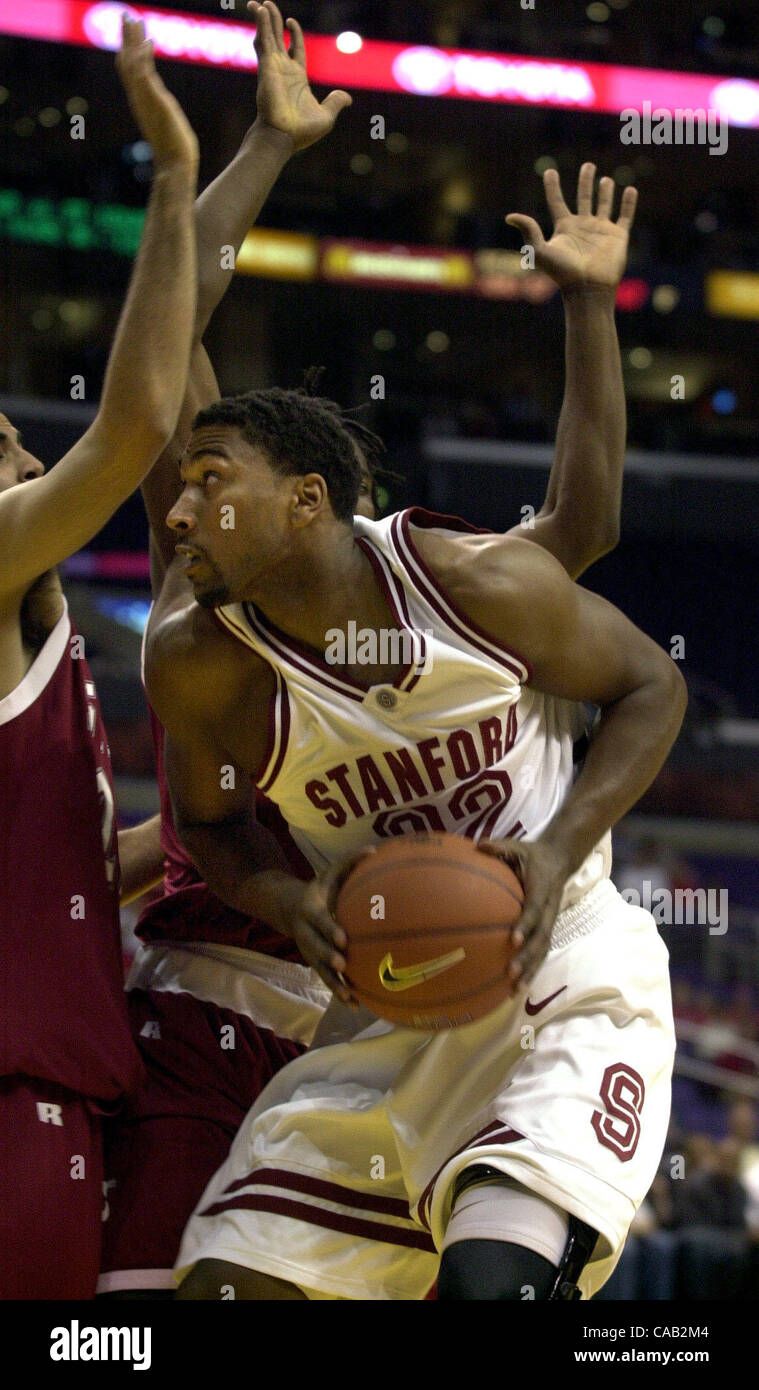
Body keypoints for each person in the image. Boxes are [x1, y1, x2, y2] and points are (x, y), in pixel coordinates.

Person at [99, 0, 638, 1298]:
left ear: (317, 503)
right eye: (195, 469)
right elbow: (173, 323)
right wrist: (261, 150)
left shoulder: (438, 593)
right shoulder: (203, 594)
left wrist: (587, 309)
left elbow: (581, 522)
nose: (191, 497)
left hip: (387, 1014)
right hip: (215, 992)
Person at [0, 17, 199, 1298]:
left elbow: (62, 860)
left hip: (54, 1114)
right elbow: (130, 430)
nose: (22, 450)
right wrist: (173, 181)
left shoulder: (36, 641)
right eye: (5, 442)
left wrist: (209, 848)